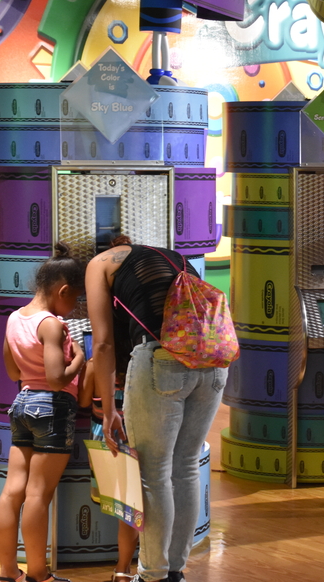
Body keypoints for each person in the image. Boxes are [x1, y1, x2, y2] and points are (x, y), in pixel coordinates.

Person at [86, 236, 229, 582]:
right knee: (185, 468)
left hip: (160, 361)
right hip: (213, 362)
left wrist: (108, 411)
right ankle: (174, 571)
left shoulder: (99, 265)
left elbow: (103, 342)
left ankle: (152, 575)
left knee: (153, 474)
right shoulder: (170, 256)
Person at [0, 243, 86, 582]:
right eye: (74, 298)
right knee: (38, 494)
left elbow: (14, 373)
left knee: (12, 491)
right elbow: (56, 378)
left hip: (22, 405)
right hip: (52, 407)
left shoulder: (14, 319)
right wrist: (78, 358)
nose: (74, 307)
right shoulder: (52, 325)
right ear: (62, 290)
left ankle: (8, 572)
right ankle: (38, 573)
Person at [79, 359, 138, 582]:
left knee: (125, 511)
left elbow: (84, 400)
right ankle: (133, 568)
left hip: (105, 439)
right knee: (136, 509)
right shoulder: (140, 361)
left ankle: (122, 571)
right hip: (135, 435)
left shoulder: (96, 364)